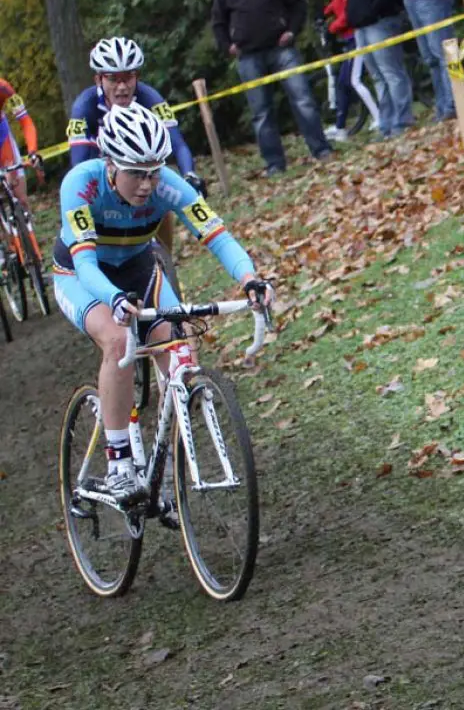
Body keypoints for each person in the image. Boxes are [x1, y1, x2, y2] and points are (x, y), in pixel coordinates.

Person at [53, 103, 273, 502]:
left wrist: (250, 279)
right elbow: (85, 263)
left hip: (139, 269)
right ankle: (118, 462)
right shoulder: (80, 185)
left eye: (154, 172)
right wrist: (114, 299)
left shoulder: (168, 185)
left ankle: (165, 471)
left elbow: (217, 235)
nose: (147, 185)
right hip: (81, 277)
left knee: (181, 350)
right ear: (110, 164)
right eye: (136, 173)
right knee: (119, 342)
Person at [68, 37, 203, 257]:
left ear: (137, 77)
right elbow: (79, 166)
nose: (122, 87)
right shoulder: (85, 106)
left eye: (128, 77)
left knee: (162, 203)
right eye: (113, 79)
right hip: (103, 170)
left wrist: (189, 174)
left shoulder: (150, 98)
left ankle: (165, 264)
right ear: (98, 79)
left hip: (142, 171)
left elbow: (177, 145)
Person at [212, 0, 332, 175]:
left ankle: (321, 150)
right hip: (248, 56)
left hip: (281, 49)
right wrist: (228, 46)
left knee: (303, 99)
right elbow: (218, 21)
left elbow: (299, 4)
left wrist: (292, 31)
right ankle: (275, 164)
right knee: (261, 112)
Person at [345, 0, 415, 137]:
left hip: (381, 21)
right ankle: (386, 121)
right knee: (376, 75)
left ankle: (402, 120)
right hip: (361, 26)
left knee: (391, 71)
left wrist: (374, 8)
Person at [321, 0, 382, 141]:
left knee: (353, 81)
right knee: (343, 83)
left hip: (357, 37)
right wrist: (324, 13)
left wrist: (331, 29)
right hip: (348, 39)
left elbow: (347, 14)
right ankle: (340, 128)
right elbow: (336, 4)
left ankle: (379, 117)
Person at [0, 78, 40, 210]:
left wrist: (32, 152)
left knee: (21, 199)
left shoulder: (3, 87)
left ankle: (27, 226)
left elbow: (25, 121)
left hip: (1, 136)